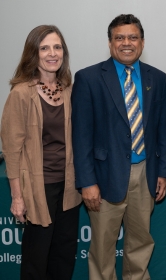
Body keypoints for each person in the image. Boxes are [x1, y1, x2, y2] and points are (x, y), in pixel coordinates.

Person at [71, 14, 166, 280]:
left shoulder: (157, 78)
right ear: (110, 42)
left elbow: (161, 129)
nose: (127, 43)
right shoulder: (88, 78)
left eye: (133, 37)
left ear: (142, 42)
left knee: (140, 243)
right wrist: (87, 182)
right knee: (103, 249)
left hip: (145, 172)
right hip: (104, 177)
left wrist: (163, 171)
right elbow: (80, 136)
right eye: (120, 38)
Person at [1, 25, 82, 279]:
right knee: (36, 260)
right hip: (37, 189)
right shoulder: (21, 94)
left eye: (57, 47)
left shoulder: (69, 90)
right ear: (33, 54)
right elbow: (12, 151)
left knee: (64, 255)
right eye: (44, 48)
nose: (52, 53)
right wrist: (17, 197)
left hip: (69, 187)